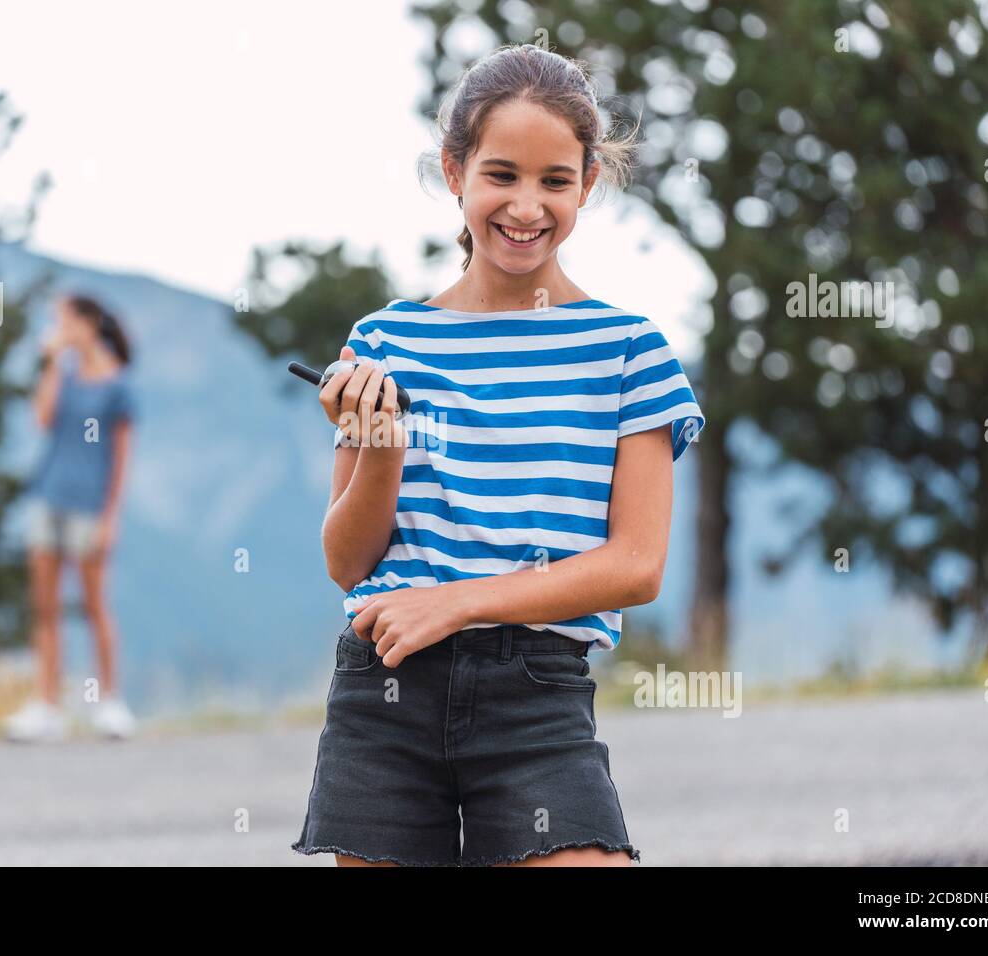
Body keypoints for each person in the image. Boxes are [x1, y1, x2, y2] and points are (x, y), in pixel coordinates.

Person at [292, 43, 705, 866]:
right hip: (387, 692)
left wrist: (459, 601)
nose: (526, 205)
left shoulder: (630, 351)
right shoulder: (383, 342)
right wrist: (383, 447)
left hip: (539, 699)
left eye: (555, 181)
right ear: (455, 172)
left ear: (589, 183)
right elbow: (347, 562)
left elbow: (636, 565)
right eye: (501, 174)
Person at [3, 294, 139, 742]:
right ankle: (47, 705)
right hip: (49, 499)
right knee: (45, 608)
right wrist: (48, 363)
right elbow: (42, 419)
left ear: (87, 323)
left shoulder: (118, 385)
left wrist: (111, 518)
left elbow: (122, 459)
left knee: (95, 605)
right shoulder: (62, 375)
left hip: (90, 506)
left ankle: (110, 702)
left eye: (63, 321)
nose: (58, 329)